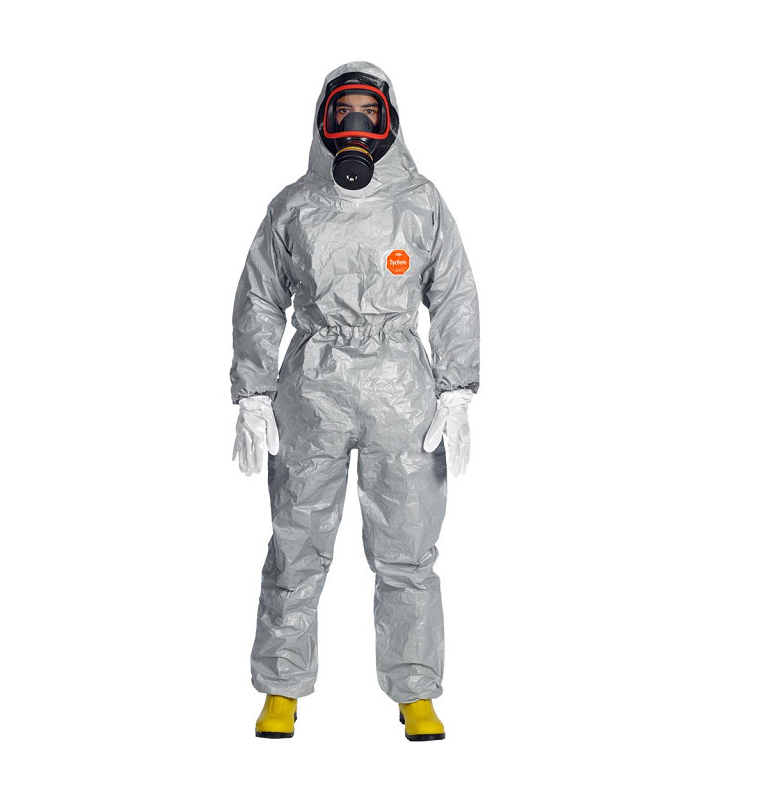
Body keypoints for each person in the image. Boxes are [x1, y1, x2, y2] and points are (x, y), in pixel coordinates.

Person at [230, 61, 480, 741]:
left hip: (401, 390)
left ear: (391, 121)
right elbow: (259, 297)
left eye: (369, 114)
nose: (356, 128)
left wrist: (456, 389)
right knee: (296, 542)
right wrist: (254, 393)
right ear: (323, 121)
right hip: (312, 388)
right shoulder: (293, 205)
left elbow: (453, 292)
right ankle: (282, 685)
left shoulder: (421, 203)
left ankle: (415, 689)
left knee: (408, 547)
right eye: (344, 114)